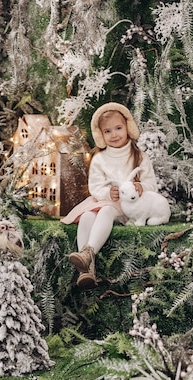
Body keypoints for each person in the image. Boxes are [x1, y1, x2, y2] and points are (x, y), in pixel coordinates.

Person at [61, 102, 158, 289]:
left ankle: (88, 254)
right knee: (88, 216)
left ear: (128, 128)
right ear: (100, 135)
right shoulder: (99, 159)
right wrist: (107, 192)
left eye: (118, 128)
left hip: (128, 207)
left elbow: (152, 185)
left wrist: (140, 187)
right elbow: (95, 187)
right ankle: (86, 271)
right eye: (107, 131)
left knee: (105, 211)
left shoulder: (139, 156)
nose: (114, 135)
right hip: (105, 201)